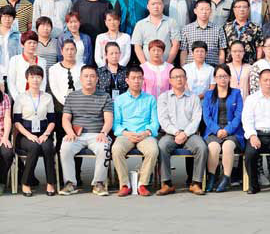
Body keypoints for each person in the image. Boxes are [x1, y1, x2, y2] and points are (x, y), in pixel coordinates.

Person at [59, 64, 114, 196]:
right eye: (86, 76)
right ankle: (70, 183)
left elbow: (108, 119)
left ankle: (98, 183)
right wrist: (70, 132)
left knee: (104, 148)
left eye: (92, 76)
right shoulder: (72, 96)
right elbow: (65, 119)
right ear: (80, 78)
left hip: (97, 134)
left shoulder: (105, 96)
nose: (89, 79)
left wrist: (103, 133)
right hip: (76, 135)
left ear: (97, 79)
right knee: (65, 148)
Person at [156, 67, 207, 195]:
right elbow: (163, 120)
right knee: (162, 146)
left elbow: (196, 119)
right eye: (175, 77)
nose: (179, 79)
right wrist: (176, 132)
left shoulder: (194, 98)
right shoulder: (163, 98)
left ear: (186, 79)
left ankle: (196, 183)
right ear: (170, 80)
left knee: (201, 147)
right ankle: (167, 183)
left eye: (181, 76)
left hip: (190, 134)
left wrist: (185, 133)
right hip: (170, 134)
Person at [112, 66, 160, 197]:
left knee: (153, 150)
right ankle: (125, 184)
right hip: (126, 134)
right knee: (116, 149)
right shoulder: (119, 100)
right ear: (127, 80)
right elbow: (116, 124)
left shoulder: (150, 99)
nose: (137, 81)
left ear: (143, 80)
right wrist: (126, 133)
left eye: (139, 78)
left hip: (144, 134)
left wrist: (146, 132)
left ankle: (142, 184)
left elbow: (155, 122)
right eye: (133, 78)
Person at [13, 66, 56, 196]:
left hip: (43, 132)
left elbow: (52, 120)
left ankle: (51, 183)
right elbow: (17, 122)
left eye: (38, 77)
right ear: (27, 79)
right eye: (32, 77)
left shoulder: (47, 97)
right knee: (34, 146)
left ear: (42, 79)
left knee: (48, 147)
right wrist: (29, 135)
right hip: (25, 134)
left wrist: (46, 134)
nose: (35, 80)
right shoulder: (20, 97)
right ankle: (26, 183)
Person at [202, 65, 242, 193]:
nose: (222, 79)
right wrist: (217, 130)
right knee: (213, 147)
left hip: (232, 131)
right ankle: (212, 177)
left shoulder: (236, 93)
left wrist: (227, 130)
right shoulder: (208, 95)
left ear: (229, 77)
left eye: (225, 76)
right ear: (215, 78)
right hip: (214, 131)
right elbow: (206, 117)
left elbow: (238, 115)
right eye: (219, 76)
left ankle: (226, 178)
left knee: (227, 146)